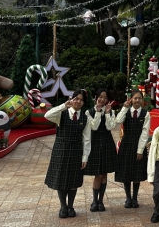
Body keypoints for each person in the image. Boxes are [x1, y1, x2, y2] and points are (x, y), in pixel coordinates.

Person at [44, 89, 92, 219]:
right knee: (61, 179)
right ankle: (63, 207)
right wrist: (64, 106)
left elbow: (87, 139)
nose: (78, 101)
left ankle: (71, 206)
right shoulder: (62, 114)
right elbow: (47, 115)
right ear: (72, 99)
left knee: (73, 180)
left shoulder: (85, 118)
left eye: (81, 100)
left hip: (76, 151)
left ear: (84, 103)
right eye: (76, 98)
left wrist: (85, 157)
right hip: (61, 150)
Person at [115, 90, 150, 208]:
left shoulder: (145, 114)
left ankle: (135, 198)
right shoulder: (126, 111)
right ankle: (128, 198)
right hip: (126, 144)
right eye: (135, 98)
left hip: (138, 144)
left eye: (139, 98)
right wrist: (124, 108)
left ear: (142, 100)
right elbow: (118, 121)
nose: (137, 100)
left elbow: (145, 133)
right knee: (126, 172)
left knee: (136, 172)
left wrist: (140, 150)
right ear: (131, 99)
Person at [84, 88, 117, 213]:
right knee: (98, 174)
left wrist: (107, 113)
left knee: (104, 173)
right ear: (96, 97)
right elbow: (94, 127)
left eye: (105, 97)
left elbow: (110, 127)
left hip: (107, 143)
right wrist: (98, 113)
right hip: (95, 144)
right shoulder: (89, 112)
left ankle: (101, 201)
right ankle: (94, 201)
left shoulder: (111, 112)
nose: (103, 99)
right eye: (100, 97)